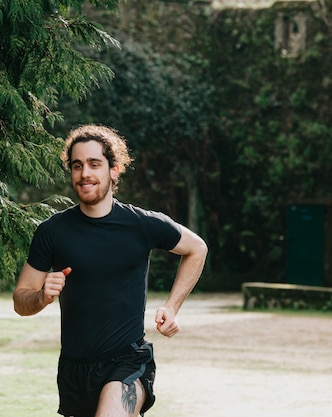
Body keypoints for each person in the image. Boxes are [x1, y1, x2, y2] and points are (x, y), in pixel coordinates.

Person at [13, 124, 208, 417]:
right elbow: (20, 301)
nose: (84, 174)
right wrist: (41, 297)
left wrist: (172, 306)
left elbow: (197, 249)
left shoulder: (142, 224)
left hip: (127, 361)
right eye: (77, 166)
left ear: (114, 170)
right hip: (74, 370)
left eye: (94, 164)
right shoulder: (52, 232)